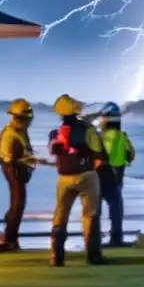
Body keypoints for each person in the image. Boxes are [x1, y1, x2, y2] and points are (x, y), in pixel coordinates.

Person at [48, 93, 108, 267]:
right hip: (86, 176)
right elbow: (99, 152)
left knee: (60, 216)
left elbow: (54, 151)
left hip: (63, 178)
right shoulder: (88, 129)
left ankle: (56, 257)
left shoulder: (57, 132)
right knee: (90, 215)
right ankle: (93, 256)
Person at [0, 98, 35, 249]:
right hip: (14, 170)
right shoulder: (10, 134)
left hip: (19, 170)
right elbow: (7, 157)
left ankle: (11, 232)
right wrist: (24, 161)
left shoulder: (20, 132)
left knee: (17, 202)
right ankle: (10, 238)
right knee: (18, 203)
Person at [96, 102, 135, 247]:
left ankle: (94, 239)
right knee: (116, 209)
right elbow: (131, 155)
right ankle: (116, 239)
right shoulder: (121, 137)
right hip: (116, 178)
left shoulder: (97, 136)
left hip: (98, 176)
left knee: (95, 211)